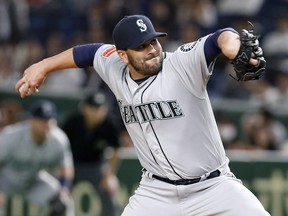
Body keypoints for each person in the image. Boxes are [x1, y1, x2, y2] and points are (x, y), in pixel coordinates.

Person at [15, 14, 270, 215]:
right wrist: (43, 66)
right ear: (123, 55)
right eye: (141, 46)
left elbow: (219, 37)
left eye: (153, 41)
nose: (152, 49)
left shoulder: (182, 65)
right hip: (157, 192)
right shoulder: (112, 65)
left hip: (213, 186)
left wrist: (234, 48)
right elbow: (86, 53)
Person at [0, 100, 75, 216]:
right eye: (42, 120)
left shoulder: (59, 140)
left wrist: (63, 190)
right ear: (31, 120)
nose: (46, 124)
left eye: (50, 120)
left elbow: (66, 169)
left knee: (63, 202)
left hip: (32, 181)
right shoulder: (10, 136)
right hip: (4, 181)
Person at [61, 91, 121, 216]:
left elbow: (116, 150)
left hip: (96, 165)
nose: (97, 112)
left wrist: (110, 175)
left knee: (109, 189)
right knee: (60, 192)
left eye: (100, 108)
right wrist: (62, 170)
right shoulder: (73, 122)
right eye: (93, 108)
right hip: (72, 164)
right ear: (84, 108)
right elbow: (61, 146)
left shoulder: (109, 125)